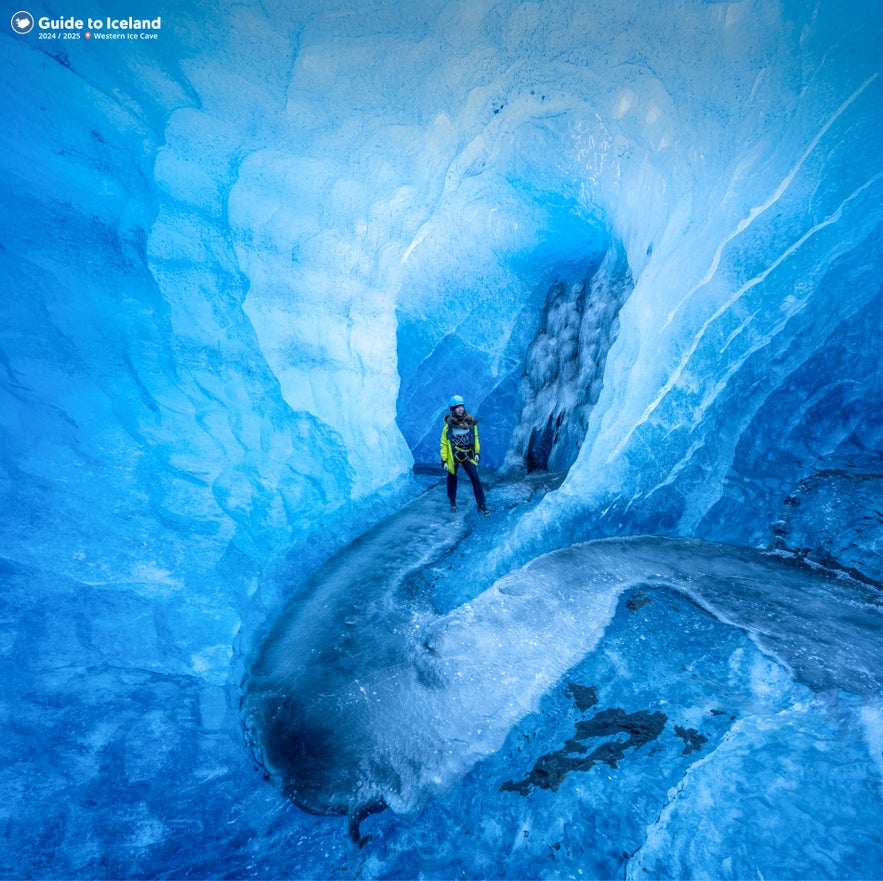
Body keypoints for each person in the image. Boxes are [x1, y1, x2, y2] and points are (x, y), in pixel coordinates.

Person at [440, 394, 489, 514]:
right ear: (453, 409)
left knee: (475, 479)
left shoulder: (470, 423)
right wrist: (444, 460)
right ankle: (452, 502)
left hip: (467, 454)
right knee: (452, 478)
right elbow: (444, 444)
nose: (461, 409)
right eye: (458, 407)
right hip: (454, 455)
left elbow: (475, 438)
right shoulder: (448, 427)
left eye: (462, 406)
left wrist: (477, 452)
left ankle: (481, 505)